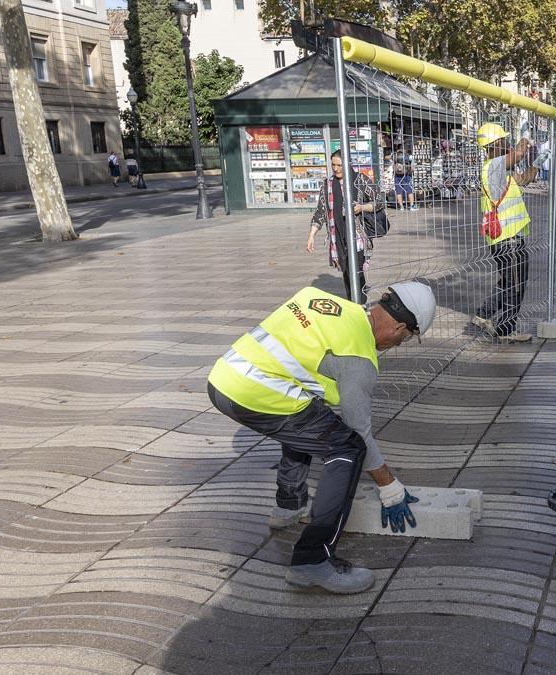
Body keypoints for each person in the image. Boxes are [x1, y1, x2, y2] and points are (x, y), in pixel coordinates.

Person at [206, 281, 436, 594]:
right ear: (397, 327)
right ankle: (311, 561)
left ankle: (289, 506)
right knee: (347, 448)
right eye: (404, 340)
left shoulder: (327, 304)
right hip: (251, 394)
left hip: (223, 377)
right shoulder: (359, 360)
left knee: (310, 420)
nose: (394, 347)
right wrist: (389, 486)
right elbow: (359, 432)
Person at [472, 122, 538, 342]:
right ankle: (506, 330)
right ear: (497, 143)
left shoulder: (501, 173)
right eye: (504, 140)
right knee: (515, 285)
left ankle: (484, 314)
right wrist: (526, 139)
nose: (508, 143)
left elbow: (525, 178)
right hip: (507, 240)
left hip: (507, 238)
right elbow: (518, 153)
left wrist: (539, 159)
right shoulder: (493, 166)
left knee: (508, 281)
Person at [307, 150, 381, 303]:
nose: (336, 168)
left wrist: (362, 207)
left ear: (348, 164)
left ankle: (360, 304)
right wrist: (311, 235)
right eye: (333, 165)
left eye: (339, 165)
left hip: (358, 236)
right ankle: (354, 303)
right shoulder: (327, 185)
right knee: (347, 273)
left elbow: (379, 202)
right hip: (338, 238)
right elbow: (321, 211)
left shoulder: (359, 180)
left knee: (357, 271)